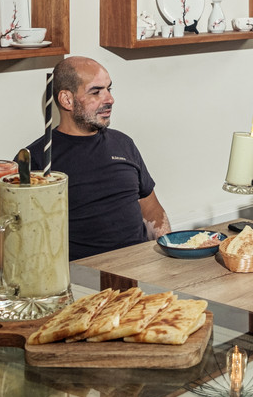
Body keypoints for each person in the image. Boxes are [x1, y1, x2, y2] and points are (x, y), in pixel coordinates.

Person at [26, 56, 171, 260]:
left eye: (109, 89)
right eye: (96, 92)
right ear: (67, 100)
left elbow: (152, 209)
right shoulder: (37, 159)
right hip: (81, 277)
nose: (109, 99)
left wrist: (169, 253)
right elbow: (27, 238)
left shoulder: (123, 143)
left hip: (140, 268)